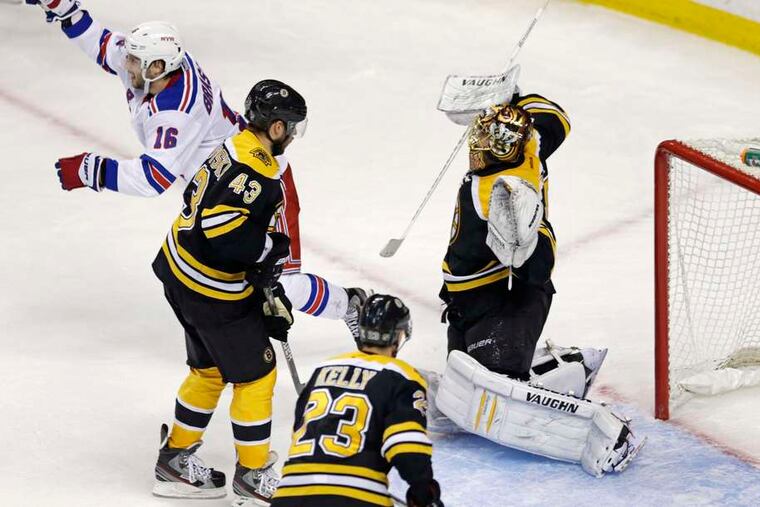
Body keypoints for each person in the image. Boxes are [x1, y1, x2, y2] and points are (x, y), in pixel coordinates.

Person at [32, 0, 367, 338]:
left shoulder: (175, 111)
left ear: (157, 67)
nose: (125, 63)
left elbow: (152, 178)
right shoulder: (160, 66)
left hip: (262, 188)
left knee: (284, 283)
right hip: (220, 193)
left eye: (134, 60)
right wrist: (64, 9)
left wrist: (92, 171)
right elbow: (105, 47)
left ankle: (353, 306)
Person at [433, 94, 642, 477]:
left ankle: (575, 376)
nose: (474, 153)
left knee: (499, 384)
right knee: (462, 379)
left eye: (483, 146)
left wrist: (523, 243)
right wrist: (511, 100)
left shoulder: (505, 196)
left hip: (500, 303)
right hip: (467, 306)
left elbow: (538, 270)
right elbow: (556, 118)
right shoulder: (529, 148)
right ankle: (551, 359)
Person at [150, 80, 307, 503]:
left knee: (209, 370)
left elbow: (195, 201)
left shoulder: (233, 145)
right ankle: (251, 479)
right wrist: (271, 250)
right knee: (256, 375)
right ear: (275, 127)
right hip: (211, 292)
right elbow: (223, 231)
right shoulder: (258, 172)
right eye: (290, 127)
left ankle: (175, 461)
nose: (292, 135)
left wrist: (262, 283)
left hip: (178, 272)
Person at [271, 294, 444, 507]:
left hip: (290, 493)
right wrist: (423, 490)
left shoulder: (322, 369)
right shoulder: (402, 376)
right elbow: (405, 443)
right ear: (399, 335)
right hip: (357, 495)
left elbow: (300, 428)